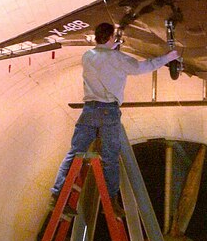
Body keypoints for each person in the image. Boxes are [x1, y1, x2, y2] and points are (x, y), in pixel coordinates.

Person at [50, 22, 179, 209]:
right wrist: (167, 57)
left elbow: (103, 60)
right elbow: (142, 67)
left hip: (89, 110)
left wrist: (112, 50)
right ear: (110, 37)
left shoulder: (87, 56)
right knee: (110, 157)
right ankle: (110, 201)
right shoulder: (117, 58)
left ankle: (57, 194)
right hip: (108, 111)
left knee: (74, 153)